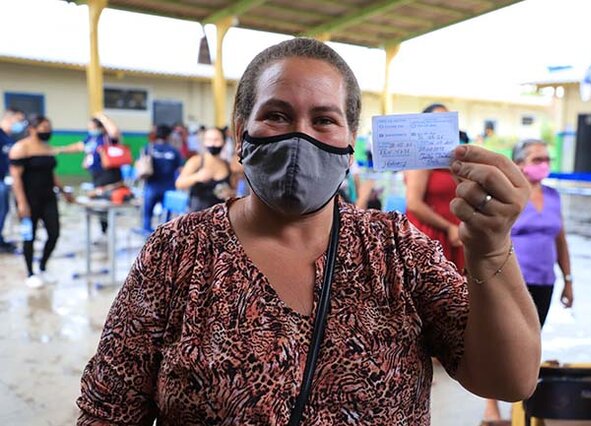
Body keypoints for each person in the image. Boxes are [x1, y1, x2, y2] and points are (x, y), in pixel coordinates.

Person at [77, 38, 540, 425]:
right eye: (276, 115)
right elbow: (109, 410)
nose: (300, 136)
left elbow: (510, 380)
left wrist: (490, 246)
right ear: (242, 130)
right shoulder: (178, 253)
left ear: (350, 140)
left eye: (324, 119)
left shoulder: (396, 250)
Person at [483, 138, 575, 421]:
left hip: (545, 280)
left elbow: (560, 239)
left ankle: (524, 403)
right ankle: (491, 403)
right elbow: (490, 238)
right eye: (537, 160)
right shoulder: (506, 196)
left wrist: (568, 280)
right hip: (511, 281)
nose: (543, 165)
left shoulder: (553, 196)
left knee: (531, 343)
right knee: (502, 341)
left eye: (547, 159)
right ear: (519, 164)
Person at [9, 115, 73, 288]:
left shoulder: (47, 148)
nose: (47, 131)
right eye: (43, 128)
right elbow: (16, 178)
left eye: (49, 128)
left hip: (48, 198)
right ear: (32, 129)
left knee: (54, 233)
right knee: (29, 236)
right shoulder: (20, 148)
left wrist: (63, 191)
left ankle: (43, 267)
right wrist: (22, 204)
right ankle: (30, 272)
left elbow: (51, 174)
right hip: (28, 199)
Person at [405, 103, 465, 271]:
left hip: (454, 233)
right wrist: (448, 227)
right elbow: (414, 204)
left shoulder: (452, 161)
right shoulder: (420, 159)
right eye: (438, 121)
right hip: (431, 234)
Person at [55, 113, 124, 233]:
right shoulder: (91, 138)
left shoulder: (108, 138)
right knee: (99, 204)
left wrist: (103, 118)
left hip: (109, 175)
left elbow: (115, 130)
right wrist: (61, 149)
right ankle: (104, 230)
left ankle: (110, 231)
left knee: (108, 203)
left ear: (101, 127)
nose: (91, 130)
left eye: (93, 127)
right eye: (89, 128)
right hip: (96, 175)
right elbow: (79, 146)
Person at [175, 126, 233, 211]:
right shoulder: (196, 161)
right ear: (204, 142)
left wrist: (229, 193)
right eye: (209, 140)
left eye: (216, 140)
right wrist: (197, 177)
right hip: (197, 215)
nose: (212, 144)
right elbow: (179, 183)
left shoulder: (227, 165)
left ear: (224, 142)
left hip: (220, 216)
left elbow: (233, 191)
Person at [140, 124, 182, 233]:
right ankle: (162, 239)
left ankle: (147, 240)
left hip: (151, 187)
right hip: (168, 188)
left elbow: (141, 165)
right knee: (165, 220)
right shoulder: (174, 151)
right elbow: (180, 170)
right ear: (168, 136)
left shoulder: (149, 148)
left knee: (147, 216)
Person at [0, 107, 27, 253]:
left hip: (3, 178)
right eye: (19, 120)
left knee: (4, 210)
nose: (21, 124)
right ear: (9, 119)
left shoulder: (8, 138)